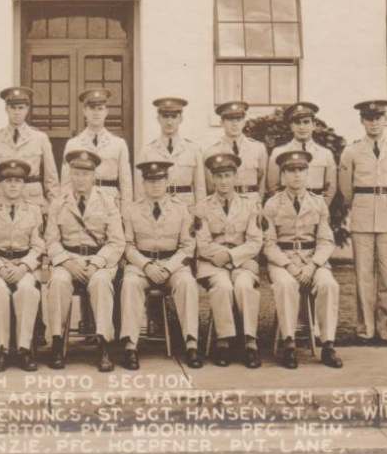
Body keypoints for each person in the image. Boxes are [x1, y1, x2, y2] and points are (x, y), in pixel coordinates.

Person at [338, 99, 387, 345]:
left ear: (386, 119)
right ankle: (365, 329)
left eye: (378, 118)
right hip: (362, 214)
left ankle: (386, 328)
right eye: (369, 118)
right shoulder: (352, 150)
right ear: (362, 121)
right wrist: (359, 204)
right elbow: (346, 188)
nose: (374, 123)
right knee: (363, 275)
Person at [45, 149, 124, 372]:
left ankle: (103, 344)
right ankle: (58, 342)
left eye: (86, 174)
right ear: (70, 175)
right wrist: (66, 262)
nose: (81, 179)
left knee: (100, 282)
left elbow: (117, 241)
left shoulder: (107, 202)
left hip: (98, 259)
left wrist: (97, 262)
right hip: (68, 259)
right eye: (77, 174)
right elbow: (51, 241)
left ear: (93, 176)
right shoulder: (59, 202)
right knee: (58, 281)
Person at [263, 150, 343, 369]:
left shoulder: (318, 203)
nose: (296, 175)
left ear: (307, 174)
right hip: (283, 260)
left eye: (301, 170)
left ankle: (327, 344)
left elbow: (326, 241)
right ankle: (289, 343)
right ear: (282, 176)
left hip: (312, 259)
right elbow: (268, 244)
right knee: (286, 284)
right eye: (290, 171)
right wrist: (288, 265)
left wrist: (313, 265)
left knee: (328, 284)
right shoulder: (272, 204)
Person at [120, 161, 201, 370]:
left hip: (172, 263)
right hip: (141, 264)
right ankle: (130, 345)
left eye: (160, 180)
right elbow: (127, 246)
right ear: (143, 184)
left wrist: (167, 268)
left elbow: (187, 246)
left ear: (167, 182)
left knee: (187, 283)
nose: (155, 185)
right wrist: (146, 266)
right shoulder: (131, 210)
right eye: (150, 181)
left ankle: (191, 343)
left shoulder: (182, 209)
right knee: (129, 283)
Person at [195, 153, 265, 368]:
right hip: (212, 262)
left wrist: (231, 257)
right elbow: (202, 243)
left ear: (236, 177)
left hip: (241, 260)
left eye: (227, 175)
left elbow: (255, 241)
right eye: (218, 176)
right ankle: (223, 341)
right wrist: (223, 257)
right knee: (223, 286)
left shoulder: (250, 204)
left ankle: (250, 342)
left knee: (244, 286)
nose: (223, 181)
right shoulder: (203, 206)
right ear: (212, 179)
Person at [0, 159, 44, 372]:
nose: (13, 185)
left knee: (27, 290)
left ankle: (24, 349)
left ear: (24, 184)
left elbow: (38, 246)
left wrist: (24, 267)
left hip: (24, 265)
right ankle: (2, 349)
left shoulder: (34, 211)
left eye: (18, 181)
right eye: (8, 181)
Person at [0, 86, 58, 211]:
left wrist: (53, 207)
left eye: (21, 108)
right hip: (3, 201)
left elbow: (51, 178)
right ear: (6, 109)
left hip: (33, 200)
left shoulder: (40, 138)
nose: (17, 112)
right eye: (13, 108)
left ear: (27, 109)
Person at [60, 87, 133, 208]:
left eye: (100, 109)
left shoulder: (118, 144)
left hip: (110, 202)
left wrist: (126, 211)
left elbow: (126, 183)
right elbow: (66, 183)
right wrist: (66, 207)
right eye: (92, 108)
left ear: (106, 112)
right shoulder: (73, 144)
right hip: (81, 202)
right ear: (84, 111)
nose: (96, 113)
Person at [136, 97, 206, 208]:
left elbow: (200, 188)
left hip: (187, 208)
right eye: (165, 116)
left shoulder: (193, 150)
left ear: (181, 119)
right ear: (158, 118)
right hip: (157, 208)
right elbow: (140, 190)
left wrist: (200, 214)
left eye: (174, 117)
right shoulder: (147, 151)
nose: (169, 122)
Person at [266, 102, 337, 203]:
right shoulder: (278, 152)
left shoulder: (325, 154)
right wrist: (283, 207)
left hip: (316, 208)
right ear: (291, 126)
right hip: (286, 208)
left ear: (314, 125)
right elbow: (273, 186)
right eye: (297, 123)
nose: (302, 127)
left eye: (306, 122)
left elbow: (331, 187)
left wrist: (321, 207)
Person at [205, 100, 267, 207]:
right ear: (222, 123)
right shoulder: (211, 151)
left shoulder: (258, 148)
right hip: (224, 204)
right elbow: (210, 186)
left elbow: (262, 179)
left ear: (244, 122)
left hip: (251, 202)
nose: (234, 124)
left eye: (238, 119)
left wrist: (259, 202)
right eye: (229, 120)